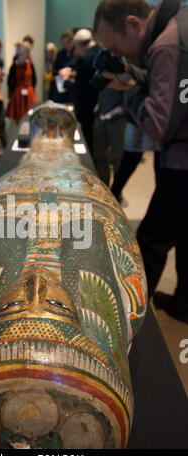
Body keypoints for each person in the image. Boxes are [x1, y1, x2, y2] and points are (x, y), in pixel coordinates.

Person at [93, 0, 188, 323]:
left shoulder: (167, 43)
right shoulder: (181, 21)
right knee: (185, 233)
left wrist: (130, 91)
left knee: (150, 241)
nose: (120, 55)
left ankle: (125, 323)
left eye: (117, 47)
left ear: (134, 24)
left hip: (183, 162)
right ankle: (184, 302)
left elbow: (159, 126)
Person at [6, 42, 37, 122]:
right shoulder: (14, 66)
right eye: (26, 52)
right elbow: (10, 82)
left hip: (29, 94)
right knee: (19, 120)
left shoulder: (30, 65)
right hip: (18, 96)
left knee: (30, 117)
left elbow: (34, 80)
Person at [51, 30, 74, 103]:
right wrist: (60, 72)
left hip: (72, 87)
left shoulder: (77, 53)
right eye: (64, 43)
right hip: (61, 86)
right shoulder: (60, 54)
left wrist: (69, 71)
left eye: (68, 42)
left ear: (72, 41)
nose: (66, 45)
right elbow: (54, 70)